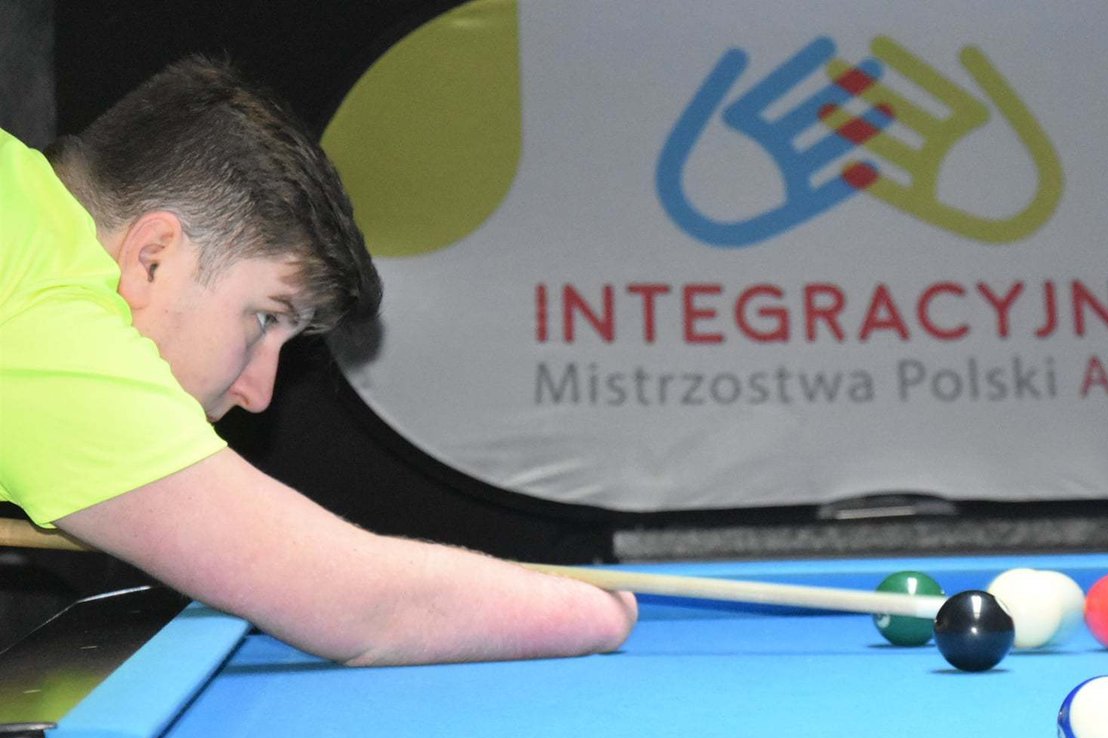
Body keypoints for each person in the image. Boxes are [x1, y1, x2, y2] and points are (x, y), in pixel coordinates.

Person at [0, 56, 637, 665]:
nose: (258, 393)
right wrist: (601, 615)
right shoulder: (46, 311)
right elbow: (368, 610)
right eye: (264, 319)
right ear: (153, 258)